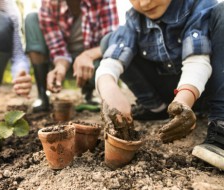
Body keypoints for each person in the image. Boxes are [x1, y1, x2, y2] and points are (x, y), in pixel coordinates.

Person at [96, 0, 224, 170]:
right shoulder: (134, 19)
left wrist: (184, 99)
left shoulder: (198, 6)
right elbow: (111, 61)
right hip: (170, 94)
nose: (145, 3)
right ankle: (155, 108)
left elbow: (197, 61)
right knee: (109, 41)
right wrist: (109, 89)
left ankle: (221, 123)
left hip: (205, 88)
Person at [24, 0, 119, 112]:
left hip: (92, 64)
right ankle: (42, 94)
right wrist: (61, 66)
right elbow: (57, 48)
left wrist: (88, 56)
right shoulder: (49, 2)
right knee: (32, 19)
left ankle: (88, 93)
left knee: (109, 58)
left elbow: (111, 42)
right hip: (58, 62)